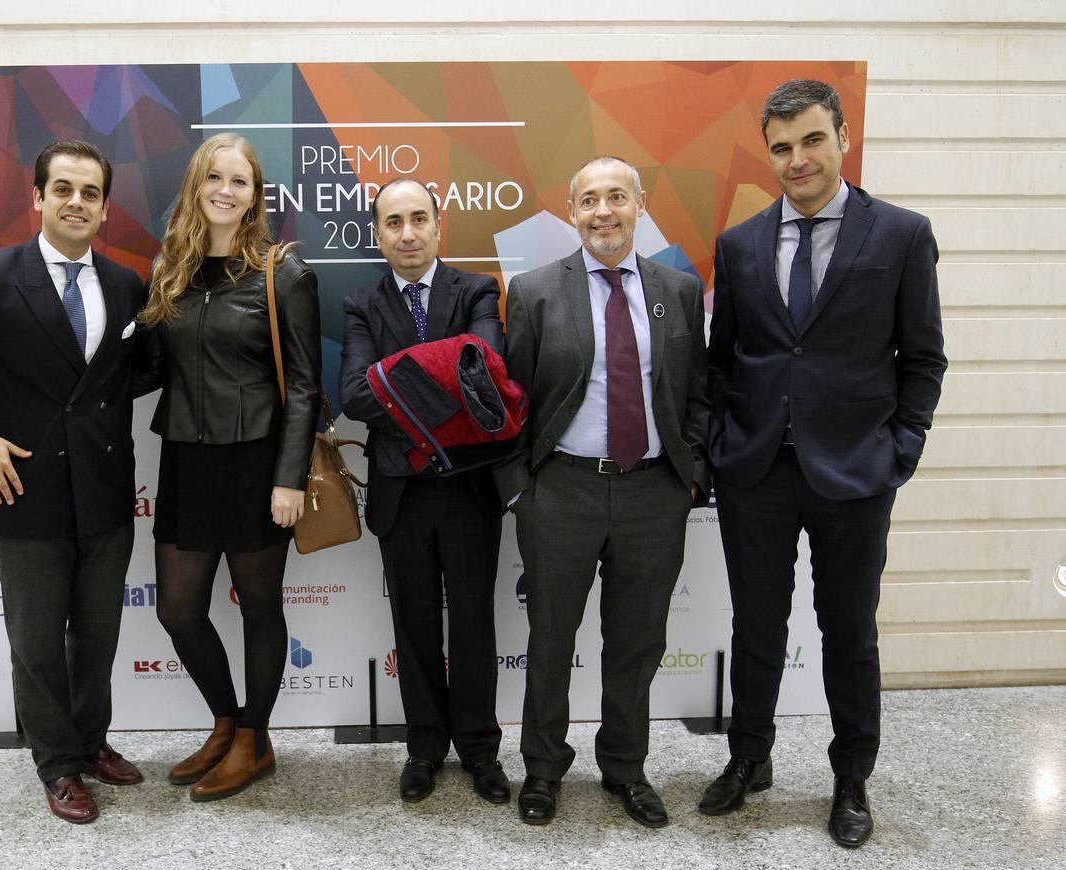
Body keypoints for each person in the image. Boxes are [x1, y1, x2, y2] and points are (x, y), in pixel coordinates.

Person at [700, 79, 945, 848]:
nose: (797, 159)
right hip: (757, 471)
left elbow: (924, 358)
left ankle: (850, 778)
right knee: (757, 628)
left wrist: (899, 450)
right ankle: (750, 759)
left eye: (811, 140)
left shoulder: (901, 235)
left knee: (849, 632)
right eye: (781, 147)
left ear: (842, 136)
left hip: (855, 473)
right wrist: (718, 447)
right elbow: (723, 361)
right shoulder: (740, 244)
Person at [0, 140, 145, 824]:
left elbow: (135, 371)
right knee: (37, 643)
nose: (77, 201)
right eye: (63, 188)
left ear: (104, 208)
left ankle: (91, 742)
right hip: (21, 488)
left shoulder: (128, 284)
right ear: (36, 198)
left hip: (104, 489)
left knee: (96, 638)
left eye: (90, 192)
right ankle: (57, 764)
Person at [495, 157, 710, 828]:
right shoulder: (533, 291)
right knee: (552, 638)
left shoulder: (678, 290)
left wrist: (690, 475)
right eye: (589, 199)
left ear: (640, 204)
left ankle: (625, 768)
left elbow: (699, 393)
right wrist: (518, 491)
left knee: (638, 642)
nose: (603, 211)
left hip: (653, 495)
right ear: (571, 211)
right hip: (561, 492)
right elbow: (512, 403)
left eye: (617, 196)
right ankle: (542, 770)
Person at [135, 133, 321, 801]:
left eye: (239, 181)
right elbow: (152, 370)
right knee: (178, 609)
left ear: (255, 195)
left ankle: (256, 739)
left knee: (260, 607)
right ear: (195, 185)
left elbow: (303, 384)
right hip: (185, 458)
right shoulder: (169, 273)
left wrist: (290, 477)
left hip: (256, 464)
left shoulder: (283, 273)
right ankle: (226, 721)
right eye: (214, 176)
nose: (225, 189)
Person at [338, 178, 511, 806]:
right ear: (378, 234)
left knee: (472, 623)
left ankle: (480, 748)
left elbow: (484, 373)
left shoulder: (478, 290)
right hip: (401, 493)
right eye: (393, 222)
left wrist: (396, 379)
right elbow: (355, 396)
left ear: (439, 226)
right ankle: (425, 748)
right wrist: (444, 375)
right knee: (412, 624)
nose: (407, 233)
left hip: (468, 490)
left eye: (418, 219)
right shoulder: (361, 302)